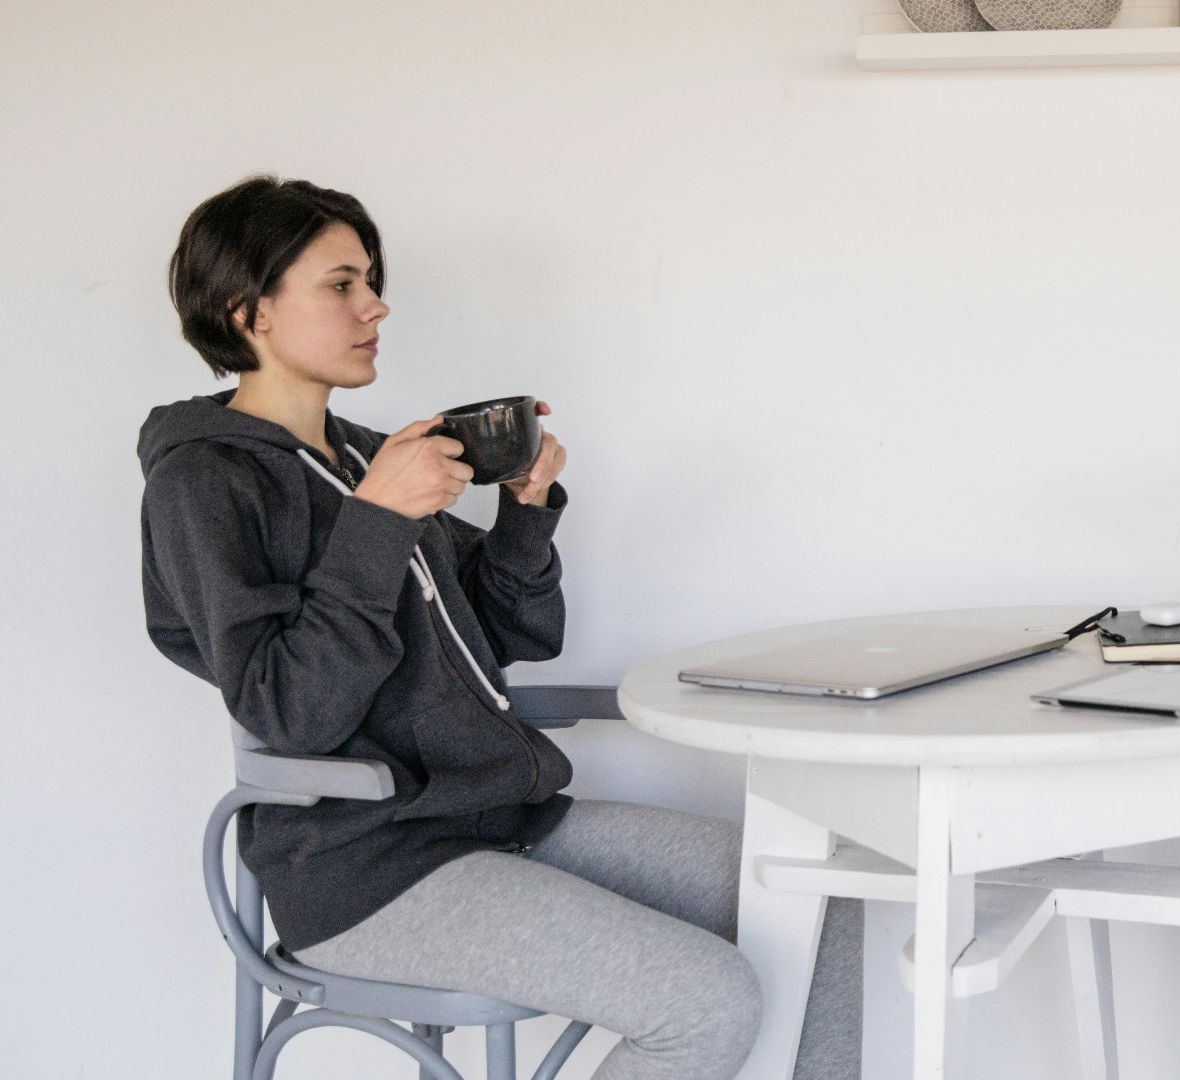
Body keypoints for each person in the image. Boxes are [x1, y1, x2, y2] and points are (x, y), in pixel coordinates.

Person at [140, 176, 860, 1080]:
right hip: (367, 865)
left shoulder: (366, 455)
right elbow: (289, 710)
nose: (376, 304)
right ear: (250, 312)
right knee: (705, 1000)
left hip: (497, 815)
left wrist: (524, 510)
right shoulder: (202, 483)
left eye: (371, 280)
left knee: (826, 897)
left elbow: (507, 631)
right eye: (341, 285)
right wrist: (378, 520)